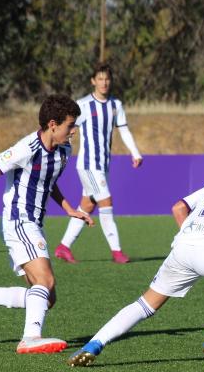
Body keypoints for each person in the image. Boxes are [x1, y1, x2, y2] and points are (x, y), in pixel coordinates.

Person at [67, 139, 204, 367]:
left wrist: (193, 235)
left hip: (182, 249)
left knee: (145, 304)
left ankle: (94, 343)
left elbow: (178, 208)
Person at [0, 95, 93, 353]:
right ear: (53, 124)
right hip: (19, 221)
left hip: (34, 224)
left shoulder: (64, 150)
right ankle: (30, 338)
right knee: (45, 280)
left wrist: (68, 208)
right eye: (70, 125)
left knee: (46, 299)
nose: (74, 131)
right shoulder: (26, 148)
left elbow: (47, 182)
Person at [54, 62, 142, 264]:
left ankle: (63, 247)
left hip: (102, 165)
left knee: (86, 206)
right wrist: (60, 150)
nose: (104, 83)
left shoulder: (115, 105)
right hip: (88, 165)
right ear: (93, 81)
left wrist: (135, 153)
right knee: (106, 202)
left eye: (107, 79)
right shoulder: (83, 105)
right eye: (100, 79)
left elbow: (124, 130)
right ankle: (117, 251)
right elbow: (68, 130)